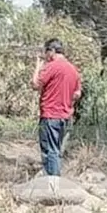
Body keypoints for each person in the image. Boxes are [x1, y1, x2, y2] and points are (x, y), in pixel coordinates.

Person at [32, 38, 82, 177]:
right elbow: (77, 93)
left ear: (52, 51)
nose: (45, 56)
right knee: (57, 150)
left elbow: (35, 84)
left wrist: (37, 66)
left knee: (50, 151)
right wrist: (65, 99)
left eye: (46, 52)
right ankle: (54, 181)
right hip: (66, 117)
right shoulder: (73, 69)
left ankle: (53, 185)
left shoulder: (51, 66)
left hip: (50, 115)